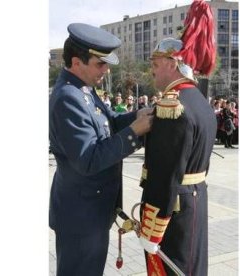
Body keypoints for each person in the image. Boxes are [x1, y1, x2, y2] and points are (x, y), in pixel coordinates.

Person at [49, 23, 153, 276]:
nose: (106, 71)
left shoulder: (83, 89)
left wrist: (136, 117)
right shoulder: (68, 97)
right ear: (76, 62)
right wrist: (134, 132)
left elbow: (108, 124)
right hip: (81, 216)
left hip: (90, 210)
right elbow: (89, 159)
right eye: (100, 64)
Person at [137, 1, 217, 275]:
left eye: (157, 64)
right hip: (195, 201)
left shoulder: (173, 106)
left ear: (173, 64)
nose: (153, 71)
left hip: (173, 210)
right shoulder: (200, 101)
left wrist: (152, 228)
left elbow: (164, 175)